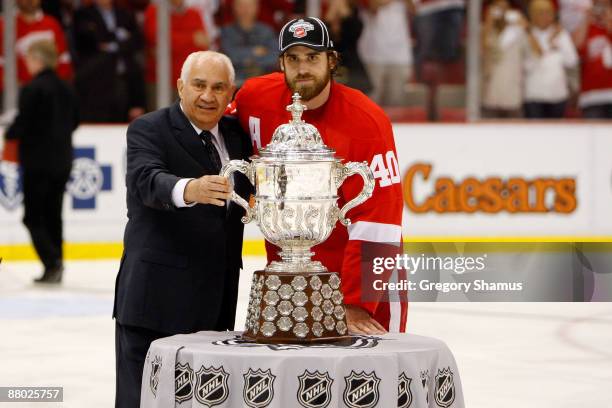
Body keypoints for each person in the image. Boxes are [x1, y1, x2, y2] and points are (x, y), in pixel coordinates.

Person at [231, 17, 407, 335]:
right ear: (281, 63)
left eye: (312, 57)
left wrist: (355, 304)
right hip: (288, 277)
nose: (303, 68)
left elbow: (381, 219)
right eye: (293, 58)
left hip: (363, 286)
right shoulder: (253, 98)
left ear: (332, 60)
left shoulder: (367, 121)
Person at [112, 51, 252, 408]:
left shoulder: (236, 136)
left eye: (219, 87)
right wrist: (190, 190)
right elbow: (147, 180)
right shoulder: (149, 128)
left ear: (230, 93)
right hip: (155, 302)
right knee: (141, 400)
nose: (208, 96)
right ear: (180, 86)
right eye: (199, 85)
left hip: (217, 300)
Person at [5, 40, 79, 284]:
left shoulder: (32, 88)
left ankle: (51, 262)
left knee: (33, 216)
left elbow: (22, 125)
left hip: (38, 162)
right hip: (63, 160)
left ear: (37, 59)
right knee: (53, 214)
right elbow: (75, 121)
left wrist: (10, 132)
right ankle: (57, 263)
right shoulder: (66, 88)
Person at [73, 0, 146, 122]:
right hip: (97, 82)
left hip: (125, 79)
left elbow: (137, 41)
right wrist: (119, 39)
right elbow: (90, 40)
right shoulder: (83, 14)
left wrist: (111, 45)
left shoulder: (125, 13)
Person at [143, 0, 209, 111]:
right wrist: (191, 38)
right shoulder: (154, 11)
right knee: (159, 123)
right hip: (160, 82)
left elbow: (203, 44)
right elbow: (160, 42)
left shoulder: (194, 13)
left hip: (189, 83)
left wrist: (174, 41)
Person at [0, 0, 72, 91]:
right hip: (20, 95)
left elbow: (64, 62)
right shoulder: (5, 27)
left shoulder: (52, 24)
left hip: (51, 93)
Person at [523, 0, 578, 118]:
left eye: (548, 12)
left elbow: (572, 61)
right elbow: (527, 65)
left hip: (557, 95)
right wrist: (548, 46)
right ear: (533, 15)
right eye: (540, 12)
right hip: (533, 95)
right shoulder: (527, 34)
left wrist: (559, 47)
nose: (545, 16)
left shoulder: (561, 34)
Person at [220, 0, 278, 85]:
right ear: (234, 8)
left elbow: (275, 57)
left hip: (263, 82)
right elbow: (229, 56)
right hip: (235, 84)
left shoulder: (266, 31)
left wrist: (247, 59)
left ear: (257, 8)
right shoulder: (226, 32)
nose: (245, 10)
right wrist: (254, 51)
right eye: (241, 6)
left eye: (249, 6)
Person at [573, 0, 612, 118]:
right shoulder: (588, 27)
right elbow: (575, 45)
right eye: (598, 6)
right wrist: (586, 19)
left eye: (605, 6)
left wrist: (608, 21)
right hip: (591, 96)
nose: (601, 10)